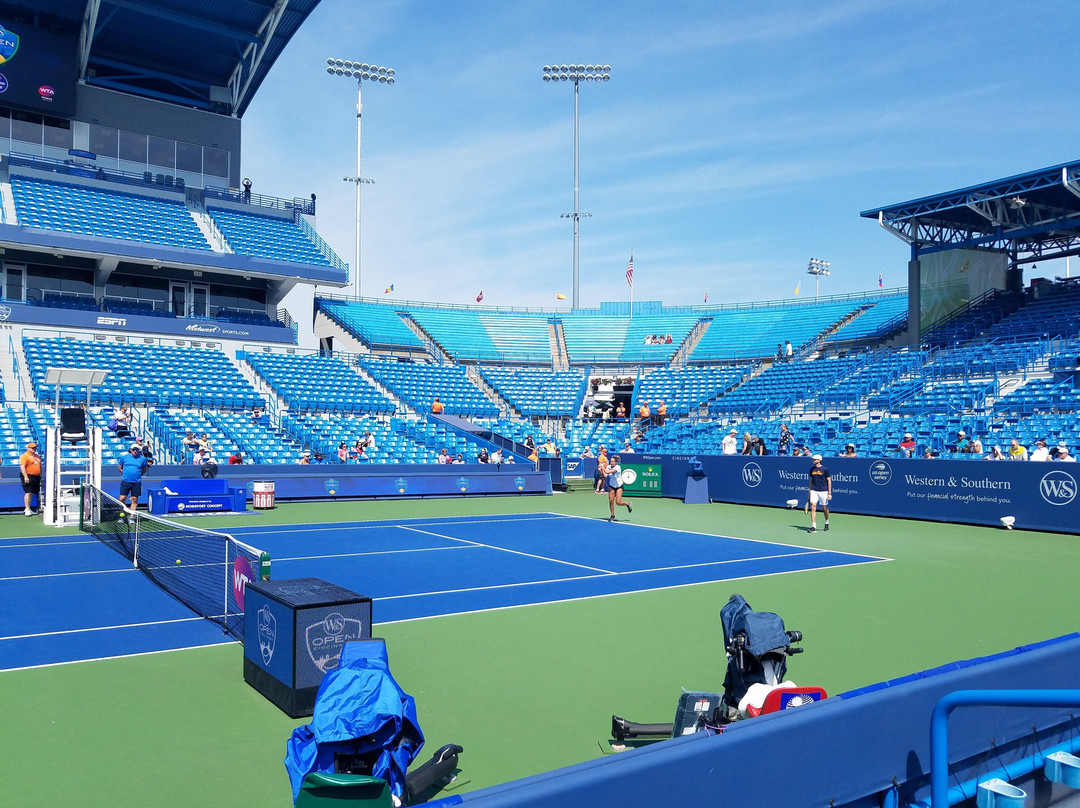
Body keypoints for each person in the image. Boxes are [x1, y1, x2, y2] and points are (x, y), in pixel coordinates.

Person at [117, 442, 150, 519]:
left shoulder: (142, 459)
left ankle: (131, 517)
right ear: (131, 450)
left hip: (136, 482)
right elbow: (119, 467)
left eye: (137, 449)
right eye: (134, 449)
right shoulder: (124, 458)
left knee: (134, 500)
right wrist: (124, 473)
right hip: (125, 482)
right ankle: (122, 515)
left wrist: (138, 474)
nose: (135, 451)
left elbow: (145, 468)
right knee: (122, 499)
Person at [603, 453, 633, 522]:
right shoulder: (608, 466)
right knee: (611, 501)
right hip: (612, 486)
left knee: (618, 502)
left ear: (616, 462)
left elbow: (607, 472)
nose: (611, 462)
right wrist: (601, 470)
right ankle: (612, 515)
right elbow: (605, 475)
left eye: (612, 461)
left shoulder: (618, 467)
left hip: (619, 486)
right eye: (610, 461)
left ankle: (628, 504)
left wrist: (602, 467)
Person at [807, 454, 832, 533]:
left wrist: (829, 493)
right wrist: (809, 490)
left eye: (814, 459)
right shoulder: (811, 469)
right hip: (814, 490)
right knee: (813, 506)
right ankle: (814, 527)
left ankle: (826, 522)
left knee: (824, 508)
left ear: (819, 460)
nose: (813, 461)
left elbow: (829, 481)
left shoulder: (825, 469)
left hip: (823, 491)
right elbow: (811, 480)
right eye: (813, 459)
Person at [19, 440, 41, 517]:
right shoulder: (24, 456)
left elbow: (39, 466)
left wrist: (40, 475)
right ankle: (27, 508)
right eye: (32, 448)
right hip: (28, 475)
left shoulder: (37, 456)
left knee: (32, 492)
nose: (34, 449)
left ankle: (29, 508)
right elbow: (22, 466)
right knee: (28, 492)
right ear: (28, 448)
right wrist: (25, 476)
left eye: (35, 448)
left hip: (36, 476)